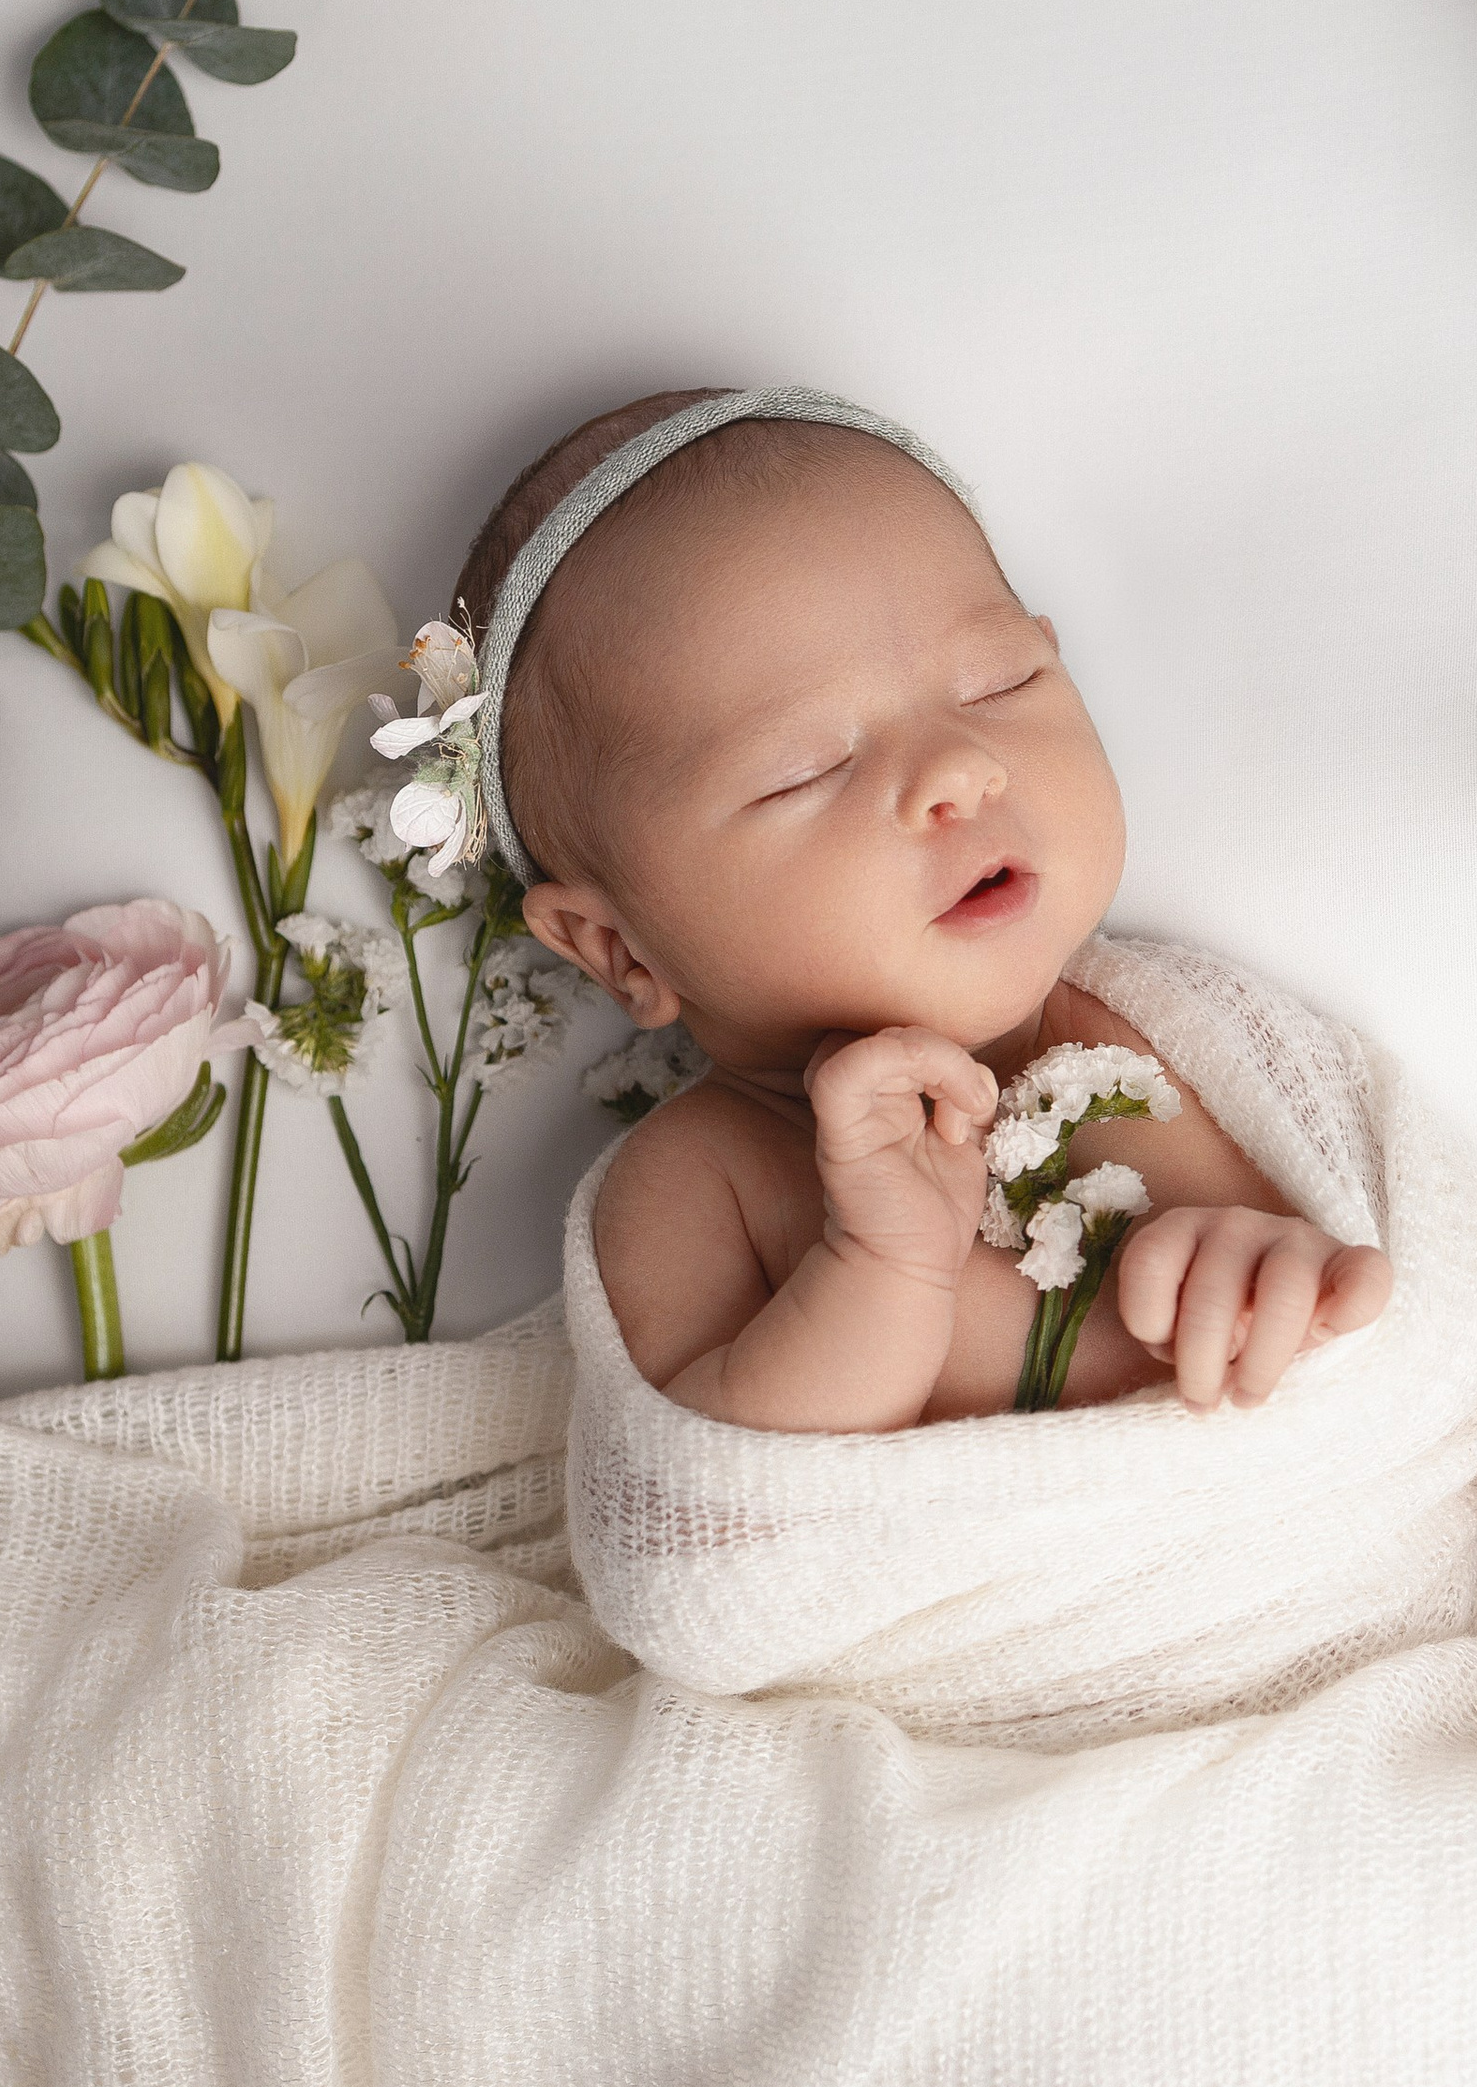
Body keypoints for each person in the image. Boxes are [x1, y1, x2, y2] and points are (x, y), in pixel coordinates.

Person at [446, 385, 1390, 1432]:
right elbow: (709, 1513)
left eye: (1000, 681)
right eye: (805, 768)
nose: (959, 765)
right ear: (615, 946)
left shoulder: (1182, 1045)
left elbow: (1379, 1334)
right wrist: (883, 1264)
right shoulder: (698, 1180)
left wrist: (1282, 1284)